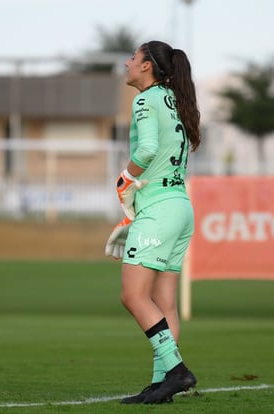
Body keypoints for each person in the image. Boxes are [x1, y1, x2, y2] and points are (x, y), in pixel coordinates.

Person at [105, 40, 201, 405]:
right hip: (180, 207)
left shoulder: (145, 99)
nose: (127, 63)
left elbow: (145, 150)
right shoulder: (174, 99)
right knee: (164, 302)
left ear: (147, 67)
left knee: (133, 295)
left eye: (133, 57)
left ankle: (176, 371)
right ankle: (163, 385)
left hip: (159, 209)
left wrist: (123, 180)